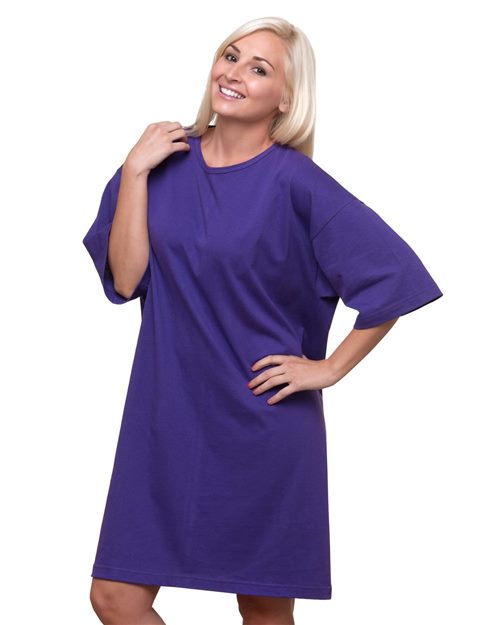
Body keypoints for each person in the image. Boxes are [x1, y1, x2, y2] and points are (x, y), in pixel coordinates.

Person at [83, 16, 443, 625]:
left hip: (262, 423)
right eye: (231, 56)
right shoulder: (157, 163)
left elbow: (394, 277)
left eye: (259, 68)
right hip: (163, 419)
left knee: (263, 611)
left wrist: (328, 369)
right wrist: (135, 171)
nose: (235, 73)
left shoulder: (297, 183)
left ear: (285, 98)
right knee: (114, 598)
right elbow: (125, 278)